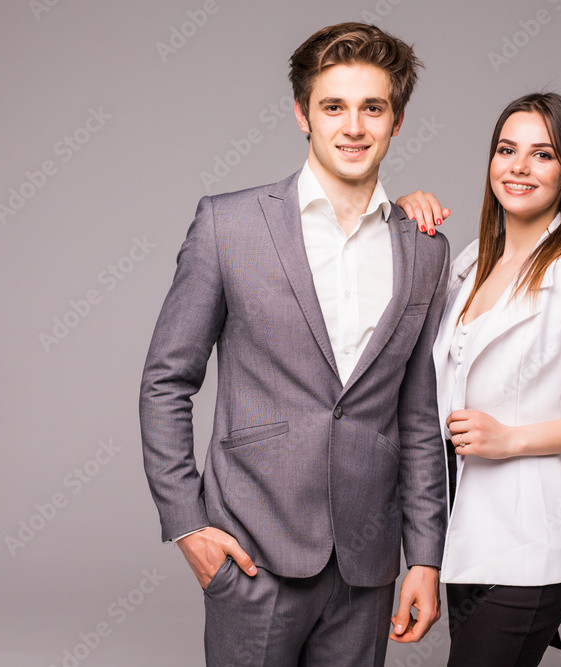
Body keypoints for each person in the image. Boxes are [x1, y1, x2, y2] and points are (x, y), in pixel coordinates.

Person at [140, 22, 450, 665]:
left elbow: (418, 416)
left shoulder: (424, 249)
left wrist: (424, 555)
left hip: (367, 564)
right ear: (302, 114)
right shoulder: (228, 225)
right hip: (252, 553)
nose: (354, 126)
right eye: (334, 106)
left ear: (397, 120)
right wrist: (187, 525)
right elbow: (167, 380)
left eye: (373, 107)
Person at [397, 92, 561, 666]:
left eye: (542, 155)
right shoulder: (469, 260)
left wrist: (511, 439)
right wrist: (400, 217)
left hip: (532, 537)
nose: (519, 166)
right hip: (465, 532)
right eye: (507, 150)